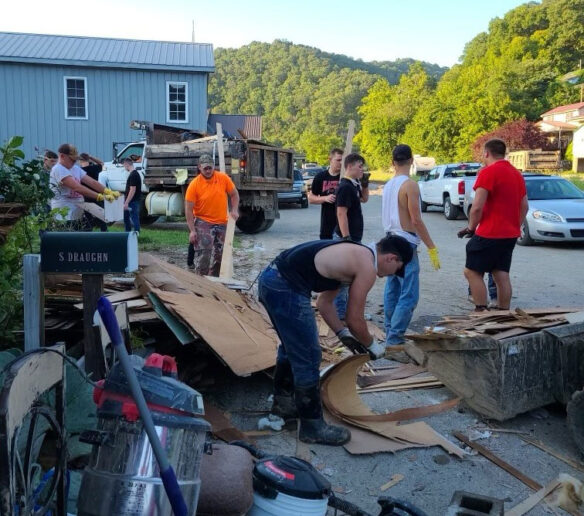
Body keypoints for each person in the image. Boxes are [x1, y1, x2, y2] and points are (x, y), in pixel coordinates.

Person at [258, 234, 413, 445]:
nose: (389, 276)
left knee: (292, 348)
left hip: (273, 279)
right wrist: (372, 345)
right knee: (309, 355)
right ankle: (312, 426)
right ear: (391, 258)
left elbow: (325, 303)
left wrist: (342, 334)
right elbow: (354, 318)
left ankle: (284, 404)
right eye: (397, 269)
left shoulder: (354, 255)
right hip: (285, 286)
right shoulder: (366, 266)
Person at [382, 144, 441, 350]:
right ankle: (395, 339)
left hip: (389, 240)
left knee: (393, 288)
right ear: (411, 161)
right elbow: (416, 220)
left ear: (393, 162)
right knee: (408, 293)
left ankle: (390, 331)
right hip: (405, 242)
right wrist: (431, 247)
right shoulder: (410, 185)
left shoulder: (388, 185)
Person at [458, 139, 528, 311]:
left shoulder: (488, 172)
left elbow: (477, 207)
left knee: (471, 272)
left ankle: (481, 310)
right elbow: (524, 206)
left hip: (489, 233)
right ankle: (503, 313)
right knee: (501, 274)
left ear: (486, 153)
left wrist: (471, 228)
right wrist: (514, 226)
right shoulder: (516, 174)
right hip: (509, 235)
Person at [185, 154, 240, 276]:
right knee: (205, 253)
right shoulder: (194, 185)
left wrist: (235, 210)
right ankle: (201, 279)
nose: (209, 171)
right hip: (203, 221)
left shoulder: (223, 178)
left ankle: (214, 280)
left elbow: (234, 194)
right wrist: (192, 231)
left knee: (221, 255)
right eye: (205, 168)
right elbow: (188, 210)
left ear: (214, 166)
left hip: (221, 222)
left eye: (210, 168)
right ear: (199, 167)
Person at [332, 152, 370, 319]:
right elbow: (341, 213)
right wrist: (346, 238)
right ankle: (340, 315)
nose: (362, 169)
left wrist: (365, 184)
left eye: (363, 166)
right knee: (344, 279)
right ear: (348, 167)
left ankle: (347, 312)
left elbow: (365, 199)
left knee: (351, 278)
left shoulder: (353, 184)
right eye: (359, 166)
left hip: (354, 238)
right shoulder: (345, 187)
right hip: (346, 239)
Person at [49, 143, 118, 229]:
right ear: (62, 156)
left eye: (75, 160)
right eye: (71, 159)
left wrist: (108, 191)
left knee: (87, 234)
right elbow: (77, 187)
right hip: (63, 215)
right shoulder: (58, 169)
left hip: (78, 212)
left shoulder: (75, 168)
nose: (74, 162)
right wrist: (100, 197)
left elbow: (92, 182)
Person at [308, 148, 343, 239]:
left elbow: (362, 199)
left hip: (344, 226)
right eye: (338, 160)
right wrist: (325, 198)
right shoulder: (320, 177)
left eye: (343, 160)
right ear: (330, 159)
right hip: (327, 225)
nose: (341, 163)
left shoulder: (345, 178)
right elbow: (311, 198)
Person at [79, 152, 108, 232]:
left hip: (86, 195)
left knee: (88, 216)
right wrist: (91, 157)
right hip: (97, 194)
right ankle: (104, 232)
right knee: (101, 215)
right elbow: (102, 163)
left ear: (80, 161)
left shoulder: (79, 171)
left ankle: (89, 232)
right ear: (88, 159)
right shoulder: (95, 168)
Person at [122, 158, 142, 233]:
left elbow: (132, 190)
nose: (124, 168)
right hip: (131, 201)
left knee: (134, 218)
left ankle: (136, 235)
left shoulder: (133, 175)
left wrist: (126, 202)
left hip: (132, 201)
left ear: (126, 164)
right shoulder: (134, 174)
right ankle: (127, 235)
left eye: (124, 166)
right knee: (126, 218)